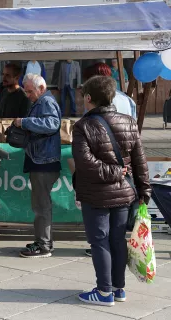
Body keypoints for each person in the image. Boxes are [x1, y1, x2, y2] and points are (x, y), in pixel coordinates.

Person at [73, 76, 151, 306]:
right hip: (124, 193)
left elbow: (85, 163)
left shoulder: (83, 126)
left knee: (100, 241)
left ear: (88, 98)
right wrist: (144, 189)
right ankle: (118, 289)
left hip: (96, 194)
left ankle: (104, 291)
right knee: (117, 241)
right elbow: (140, 161)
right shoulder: (128, 121)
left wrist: (116, 172)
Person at [15, 74, 61, 258]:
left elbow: (53, 124)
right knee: (40, 205)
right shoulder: (42, 101)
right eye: (25, 91)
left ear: (41, 88)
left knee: (41, 206)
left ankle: (44, 245)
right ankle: (43, 241)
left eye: (30, 91)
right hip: (41, 159)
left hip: (44, 161)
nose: (28, 95)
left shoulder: (46, 101)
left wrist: (24, 122)